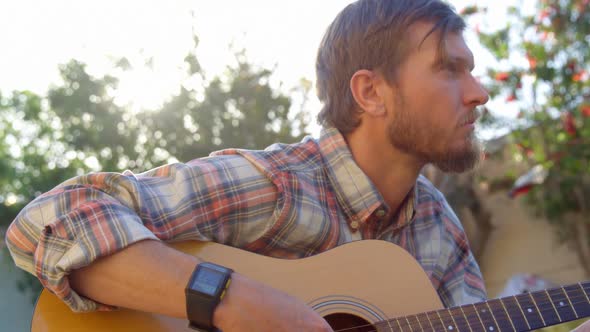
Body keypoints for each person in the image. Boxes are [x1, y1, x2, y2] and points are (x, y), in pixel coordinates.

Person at [10, 0, 585, 331]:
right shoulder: (279, 186)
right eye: (449, 69)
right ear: (371, 93)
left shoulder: (441, 234)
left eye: (474, 71)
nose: (480, 92)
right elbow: (53, 218)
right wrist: (238, 301)